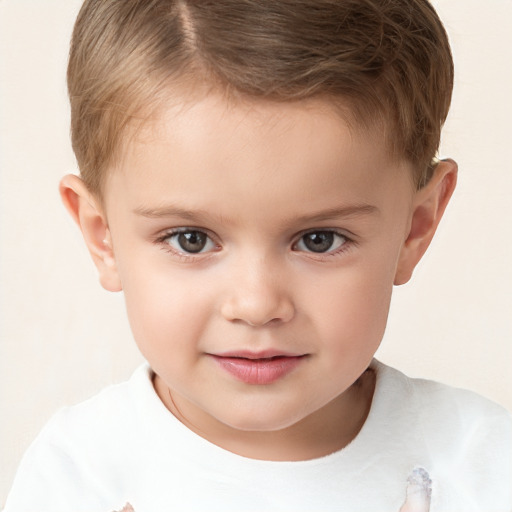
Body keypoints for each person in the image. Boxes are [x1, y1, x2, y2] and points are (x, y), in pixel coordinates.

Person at [4, 1, 511, 511]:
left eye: (319, 240)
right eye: (191, 240)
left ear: (414, 229)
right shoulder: (79, 477)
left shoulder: (482, 467)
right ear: (103, 237)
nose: (256, 304)